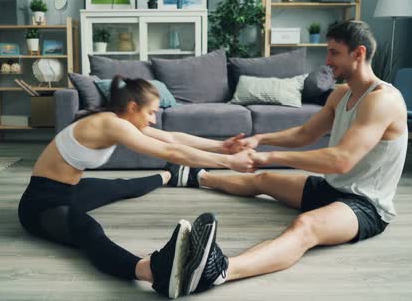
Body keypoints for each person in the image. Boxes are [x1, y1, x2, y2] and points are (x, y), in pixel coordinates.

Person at [167, 20, 409, 295]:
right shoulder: (342, 94)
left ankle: (220, 270)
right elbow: (305, 134)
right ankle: (196, 176)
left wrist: (268, 157)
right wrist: (261, 139)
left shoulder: (382, 100)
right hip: (333, 188)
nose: (327, 61)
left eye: (334, 53)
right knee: (265, 180)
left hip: (366, 205)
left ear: (359, 53)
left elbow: (341, 160)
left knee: (305, 226)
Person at [17, 75, 254, 299]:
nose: (153, 119)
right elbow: (171, 151)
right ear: (132, 107)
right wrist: (230, 162)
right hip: (42, 205)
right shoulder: (110, 123)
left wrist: (221, 147)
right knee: (88, 231)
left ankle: (169, 176)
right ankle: (152, 270)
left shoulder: (117, 119)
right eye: (150, 112)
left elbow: (172, 139)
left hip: (70, 190)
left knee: (120, 187)